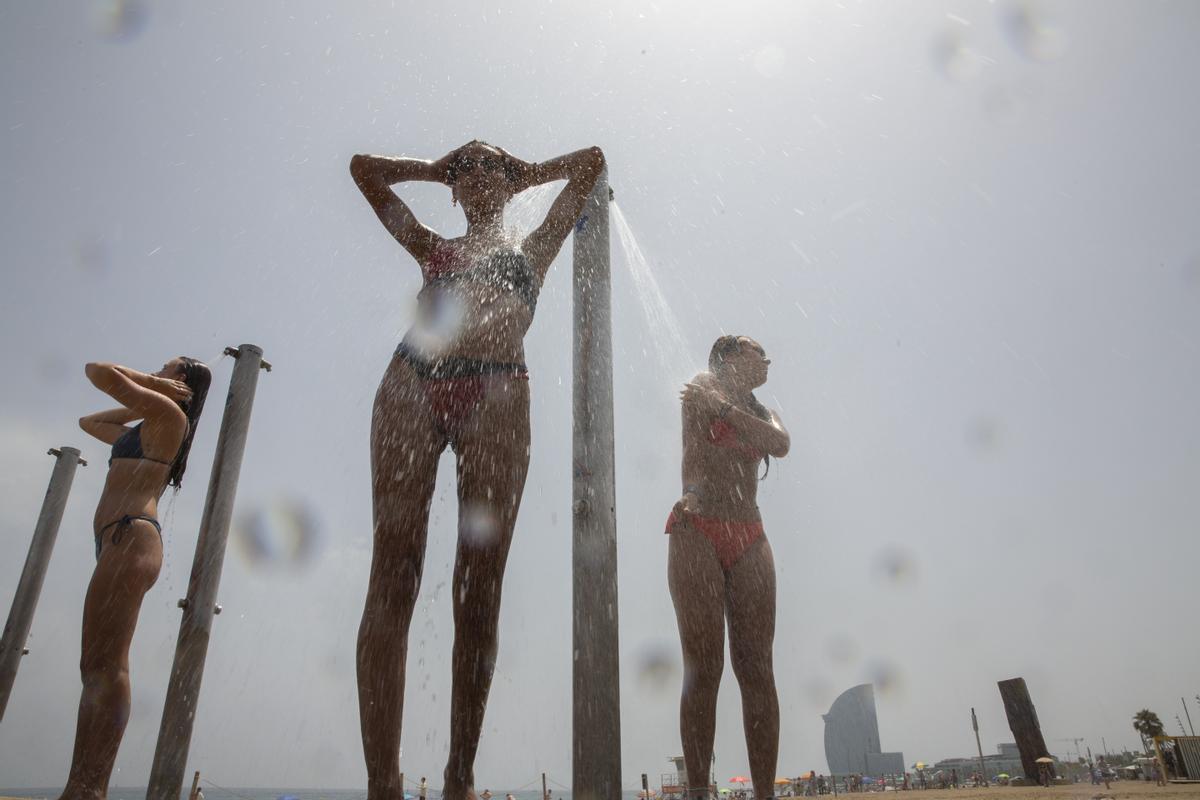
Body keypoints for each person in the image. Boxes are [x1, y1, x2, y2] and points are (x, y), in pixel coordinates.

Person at [350, 140, 605, 800]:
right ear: (454, 189)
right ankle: (384, 781)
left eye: (491, 164)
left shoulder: (532, 249)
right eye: (465, 169)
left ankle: (461, 774)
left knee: (480, 584)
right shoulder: (431, 245)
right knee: (394, 570)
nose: (478, 174)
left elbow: (590, 163)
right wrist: (433, 170)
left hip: (496, 390)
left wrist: (525, 174)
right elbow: (364, 171)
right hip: (412, 382)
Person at [57, 357, 211, 800]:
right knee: (93, 666)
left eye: (166, 369)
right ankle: (82, 785)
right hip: (114, 541)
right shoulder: (145, 425)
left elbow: (96, 371)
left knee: (107, 667)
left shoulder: (170, 416)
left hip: (131, 537)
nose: (156, 371)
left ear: (182, 384)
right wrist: (153, 390)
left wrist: (150, 387)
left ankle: (89, 788)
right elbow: (90, 422)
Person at [667, 335, 790, 800]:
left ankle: (764, 794)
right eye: (759, 352)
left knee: (757, 667)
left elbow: (780, 443)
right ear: (731, 356)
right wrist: (719, 409)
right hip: (698, 525)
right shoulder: (703, 383)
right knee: (704, 667)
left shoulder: (760, 410)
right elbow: (704, 434)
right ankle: (699, 789)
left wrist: (723, 413)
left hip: (749, 532)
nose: (767, 360)